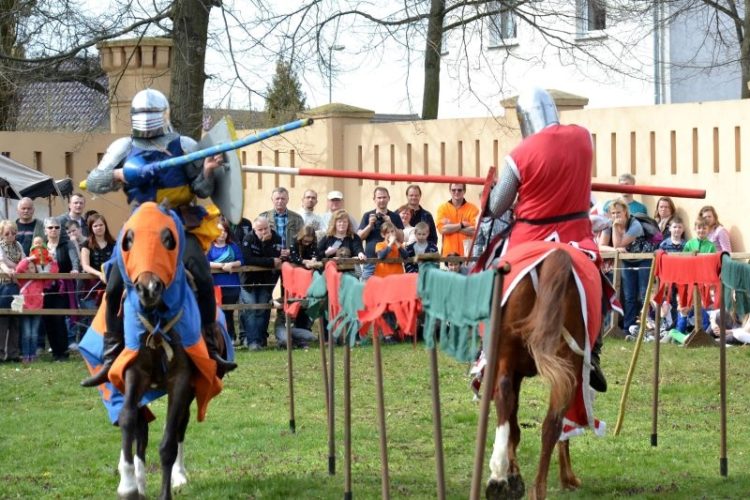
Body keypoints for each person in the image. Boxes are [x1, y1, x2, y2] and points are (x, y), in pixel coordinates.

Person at [81, 88, 235, 387]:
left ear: (163, 115)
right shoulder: (124, 146)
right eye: (142, 116)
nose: (148, 121)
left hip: (179, 222)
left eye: (152, 115)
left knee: (202, 277)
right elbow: (95, 182)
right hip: (141, 227)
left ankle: (210, 346)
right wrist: (123, 174)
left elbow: (201, 190)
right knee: (113, 283)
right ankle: (112, 354)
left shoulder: (184, 145)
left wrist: (208, 169)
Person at [486, 87, 607, 391]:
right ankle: (594, 351)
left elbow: (498, 205)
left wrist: (492, 192)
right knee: (597, 280)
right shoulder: (582, 137)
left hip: (529, 237)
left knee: (492, 275)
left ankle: (487, 352)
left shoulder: (518, 154)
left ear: (523, 119)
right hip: (575, 237)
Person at [601, 199, 657, 337]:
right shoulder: (609, 225)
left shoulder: (635, 225)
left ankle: (647, 327)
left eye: (618, 212)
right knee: (629, 295)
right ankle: (628, 327)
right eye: (612, 213)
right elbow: (601, 246)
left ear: (625, 211)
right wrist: (615, 250)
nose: (615, 216)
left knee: (644, 294)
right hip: (627, 261)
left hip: (644, 259)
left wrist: (615, 230)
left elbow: (619, 243)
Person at [240, 216, 282, 351]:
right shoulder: (248, 239)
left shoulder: (276, 238)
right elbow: (247, 259)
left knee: (263, 310)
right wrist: (269, 261)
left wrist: (265, 244)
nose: (264, 232)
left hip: (266, 281)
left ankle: (261, 340)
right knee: (251, 310)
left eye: (266, 228)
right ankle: (252, 342)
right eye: (260, 229)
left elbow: (277, 258)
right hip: (248, 281)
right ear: (254, 229)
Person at [42, 217, 79, 361]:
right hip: (44, 288)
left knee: (58, 318)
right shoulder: (41, 246)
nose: (54, 230)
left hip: (62, 287)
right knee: (48, 319)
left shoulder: (67, 244)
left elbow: (75, 260)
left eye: (56, 227)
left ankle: (63, 352)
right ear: (45, 230)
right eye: (50, 227)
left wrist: (75, 269)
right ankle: (55, 352)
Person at [15, 254, 58, 363]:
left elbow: (53, 273)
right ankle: (25, 355)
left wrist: (53, 261)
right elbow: (19, 268)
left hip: (37, 309)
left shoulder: (41, 280)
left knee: (34, 334)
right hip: (24, 309)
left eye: (32, 267)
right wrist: (28, 259)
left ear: (36, 269)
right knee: (26, 334)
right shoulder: (22, 279)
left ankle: (32, 355)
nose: (30, 270)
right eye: (28, 268)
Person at [207, 219, 243, 343]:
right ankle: (219, 338)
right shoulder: (209, 247)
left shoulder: (233, 246)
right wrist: (222, 265)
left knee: (229, 312)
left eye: (225, 231)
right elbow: (206, 261)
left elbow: (241, 260)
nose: (222, 233)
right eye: (219, 231)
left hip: (232, 285)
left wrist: (231, 264)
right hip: (215, 286)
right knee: (217, 312)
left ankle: (231, 337)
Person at [357, 187, 404, 281]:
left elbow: (401, 238)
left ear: (388, 198)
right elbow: (359, 238)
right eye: (379, 197)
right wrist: (370, 225)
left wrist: (391, 223)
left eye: (384, 197)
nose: (382, 200)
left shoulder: (395, 216)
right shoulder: (368, 215)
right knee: (366, 291)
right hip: (371, 262)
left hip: (391, 262)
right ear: (374, 199)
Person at [79, 214, 116, 313]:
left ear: (105, 226)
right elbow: (85, 266)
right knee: (94, 316)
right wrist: (99, 274)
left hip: (111, 284)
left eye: (101, 225)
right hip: (91, 287)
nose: (99, 228)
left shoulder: (114, 244)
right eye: (95, 226)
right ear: (91, 228)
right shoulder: (86, 244)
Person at [0, 220, 23, 362]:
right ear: (1, 234)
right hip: (3, 286)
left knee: (15, 318)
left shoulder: (18, 245)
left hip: (18, 286)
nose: (10, 235)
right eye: (7, 233)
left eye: (13, 233)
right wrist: (9, 270)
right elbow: (1, 262)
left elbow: (24, 259)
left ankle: (13, 353)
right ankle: (0, 354)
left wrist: (19, 270)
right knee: (2, 319)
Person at [259, 187, 305, 257]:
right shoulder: (263, 217)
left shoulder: (297, 218)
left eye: (283, 199)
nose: (280, 201)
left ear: (287, 200)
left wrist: (292, 251)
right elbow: (257, 239)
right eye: (277, 198)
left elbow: (302, 240)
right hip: (269, 257)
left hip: (291, 257)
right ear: (272, 200)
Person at [436, 183, 479, 257]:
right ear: (450, 191)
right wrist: (462, 225)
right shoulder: (442, 208)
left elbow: (475, 231)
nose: (456, 192)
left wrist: (451, 225)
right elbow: (442, 230)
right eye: (453, 190)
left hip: (467, 254)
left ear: (464, 191)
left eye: (459, 190)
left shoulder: (473, 209)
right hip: (449, 255)